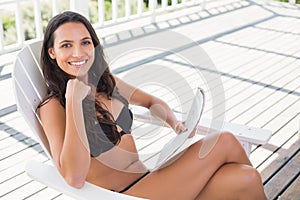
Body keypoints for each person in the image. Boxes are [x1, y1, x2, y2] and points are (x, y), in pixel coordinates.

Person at [38, 11, 267, 199]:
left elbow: (151, 102)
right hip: (125, 196)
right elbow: (73, 178)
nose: (78, 52)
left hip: (149, 180)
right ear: (52, 53)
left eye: (85, 42)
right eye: (66, 45)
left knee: (247, 178)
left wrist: (174, 123)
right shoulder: (54, 106)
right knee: (224, 141)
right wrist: (74, 102)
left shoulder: (106, 83)